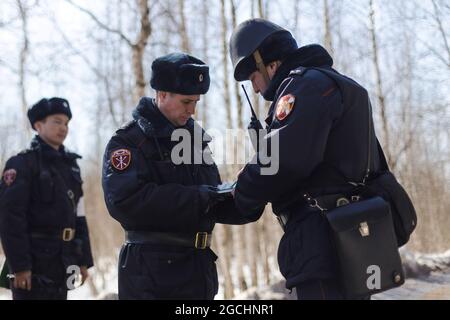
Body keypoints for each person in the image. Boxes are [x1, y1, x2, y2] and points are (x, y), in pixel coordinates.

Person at [229, 18, 381, 300]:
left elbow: (282, 162)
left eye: (253, 78)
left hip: (320, 242)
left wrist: (242, 189)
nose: (256, 89)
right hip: (351, 238)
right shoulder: (337, 84)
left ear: (269, 64)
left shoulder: (303, 87)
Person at [102, 52, 255, 300]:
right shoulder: (129, 142)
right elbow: (125, 202)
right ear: (162, 95)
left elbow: (212, 200)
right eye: (186, 102)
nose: (193, 110)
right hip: (151, 274)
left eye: (196, 102)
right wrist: (204, 196)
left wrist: (250, 194)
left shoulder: (195, 141)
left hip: (197, 269)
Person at [0, 97, 94, 300]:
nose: (63, 128)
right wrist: (20, 266)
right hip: (33, 262)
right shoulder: (22, 164)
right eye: (57, 121)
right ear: (38, 125)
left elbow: (79, 216)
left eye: (67, 123)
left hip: (64, 259)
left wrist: (83, 260)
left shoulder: (71, 168)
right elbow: (10, 218)